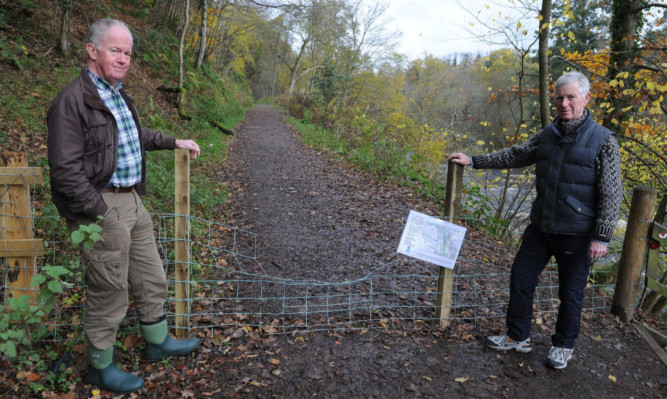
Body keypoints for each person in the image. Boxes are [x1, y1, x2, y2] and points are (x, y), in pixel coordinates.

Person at [47, 18, 201, 394]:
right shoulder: (72, 101)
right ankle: (101, 367)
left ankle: (157, 341)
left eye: (127, 53)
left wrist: (172, 140)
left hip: (132, 199)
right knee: (109, 288)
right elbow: (65, 172)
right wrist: (101, 212)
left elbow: (133, 135)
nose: (123, 59)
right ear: (92, 50)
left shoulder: (116, 93)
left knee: (151, 275)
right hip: (102, 206)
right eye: (115, 50)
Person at [448, 71, 622, 370]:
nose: (564, 103)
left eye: (571, 97)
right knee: (521, 278)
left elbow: (612, 192)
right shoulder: (548, 134)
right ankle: (518, 337)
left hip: (577, 234)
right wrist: (475, 160)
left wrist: (602, 236)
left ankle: (563, 346)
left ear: (586, 98)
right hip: (541, 227)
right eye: (559, 98)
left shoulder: (603, 140)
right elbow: (516, 155)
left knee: (570, 293)